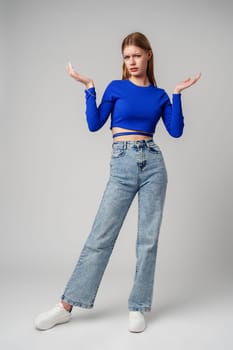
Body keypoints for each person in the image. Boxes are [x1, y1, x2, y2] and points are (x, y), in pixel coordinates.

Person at [34, 32, 201, 333]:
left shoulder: (160, 95)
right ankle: (66, 305)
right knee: (100, 237)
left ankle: (138, 306)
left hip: (153, 164)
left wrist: (176, 93)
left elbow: (175, 131)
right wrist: (89, 88)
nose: (131, 61)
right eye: (126, 57)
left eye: (137, 55)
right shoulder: (116, 88)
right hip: (122, 163)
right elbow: (94, 124)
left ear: (149, 55)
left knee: (147, 241)